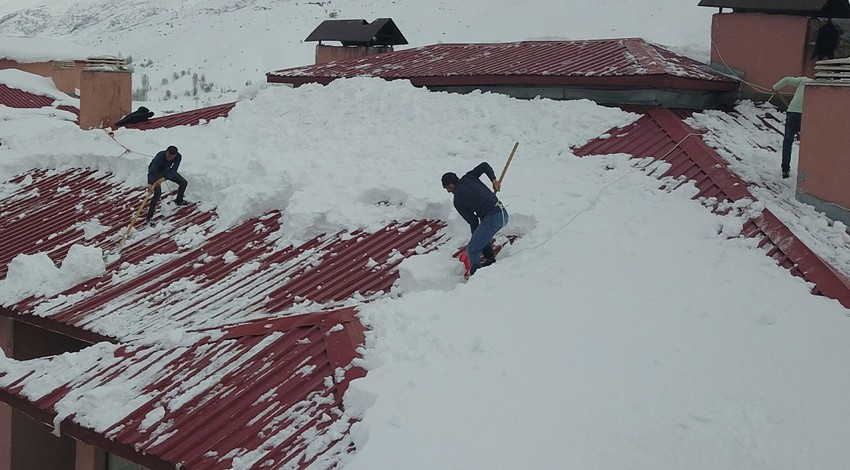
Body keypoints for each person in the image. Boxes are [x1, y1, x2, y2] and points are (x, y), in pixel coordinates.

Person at [442, 162, 509, 276]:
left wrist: (475, 236)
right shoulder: (469, 177)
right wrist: (493, 180)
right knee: (482, 234)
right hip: (503, 213)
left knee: (472, 249)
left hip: (492, 219)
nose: (448, 191)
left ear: (451, 185)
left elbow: (473, 221)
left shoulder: (458, 200)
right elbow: (484, 166)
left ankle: (476, 277)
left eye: (447, 188)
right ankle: (490, 259)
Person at [772, 76, 812, 179]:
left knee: (788, 141)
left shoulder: (803, 80)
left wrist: (775, 88)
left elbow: (787, 80)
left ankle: (785, 169)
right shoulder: (821, 85)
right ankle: (807, 170)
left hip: (793, 113)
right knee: (808, 144)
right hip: (808, 114)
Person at [146, 145, 188, 225]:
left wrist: (164, 178)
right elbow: (151, 172)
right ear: (166, 152)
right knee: (157, 194)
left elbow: (174, 170)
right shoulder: (159, 157)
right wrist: (150, 184)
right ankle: (149, 217)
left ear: (175, 155)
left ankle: (179, 200)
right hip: (156, 173)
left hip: (166, 171)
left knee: (183, 183)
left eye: (171, 157)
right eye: (168, 156)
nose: (169, 158)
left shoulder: (178, 157)